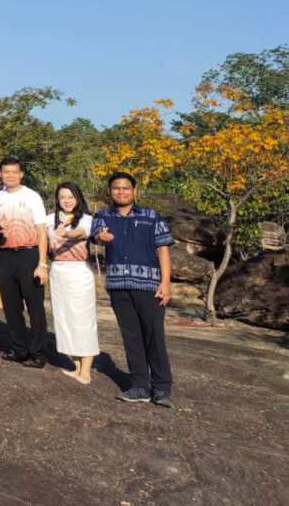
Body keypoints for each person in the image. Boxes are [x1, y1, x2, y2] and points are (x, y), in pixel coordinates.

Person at [91, 171, 175, 407]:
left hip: (150, 287)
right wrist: (102, 238)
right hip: (119, 287)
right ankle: (139, 386)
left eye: (125, 188)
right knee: (132, 338)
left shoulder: (151, 216)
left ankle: (161, 388)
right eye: (116, 188)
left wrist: (166, 282)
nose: (121, 192)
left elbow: (163, 249)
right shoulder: (103, 216)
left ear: (134, 191)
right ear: (110, 192)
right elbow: (97, 236)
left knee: (154, 337)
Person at [0, 157, 50, 368]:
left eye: (14, 172)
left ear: (21, 173)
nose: (10, 176)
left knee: (35, 306)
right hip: (5, 254)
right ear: (0, 174)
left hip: (29, 254)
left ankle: (38, 353)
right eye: (6, 172)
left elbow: (42, 231)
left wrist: (43, 263)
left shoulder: (32, 196)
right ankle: (19, 349)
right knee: (11, 305)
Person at [48, 182, 98, 384]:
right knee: (64, 320)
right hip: (58, 271)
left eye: (71, 197)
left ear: (78, 198)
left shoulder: (86, 219)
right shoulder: (50, 219)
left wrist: (66, 233)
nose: (67, 201)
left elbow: (82, 233)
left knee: (83, 321)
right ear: (57, 200)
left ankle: (86, 370)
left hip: (79, 272)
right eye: (62, 197)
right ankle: (76, 366)